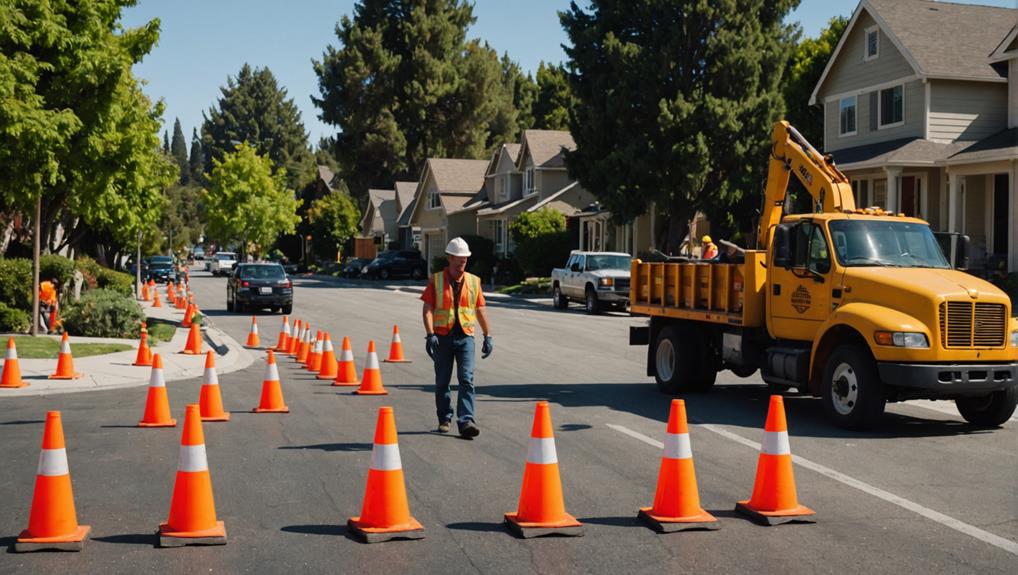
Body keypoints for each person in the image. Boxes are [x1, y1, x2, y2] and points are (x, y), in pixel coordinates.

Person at [421, 237, 493, 438]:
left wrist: (488, 335)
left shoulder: (473, 281)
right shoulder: (436, 280)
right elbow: (427, 309)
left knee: (467, 379)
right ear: (450, 257)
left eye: (465, 259)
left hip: (465, 338)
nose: (462, 262)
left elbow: (480, 309)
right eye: (459, 258)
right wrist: (429, 334)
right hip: (442, 338)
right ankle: (444, 417)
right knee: (442, 382)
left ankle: (466, 420)